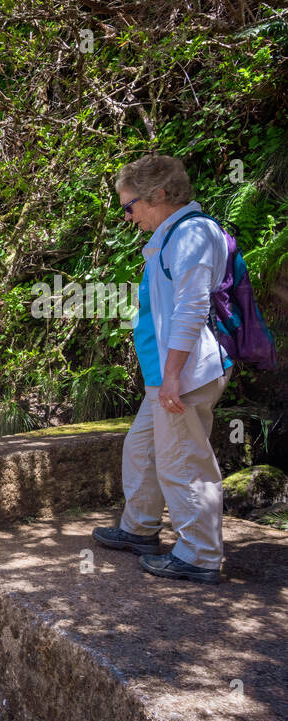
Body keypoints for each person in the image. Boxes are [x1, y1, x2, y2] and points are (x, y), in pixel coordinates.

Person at [92, 155, 232, 584]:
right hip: (168, 375)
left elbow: (192, 309)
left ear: (159, 196)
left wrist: (172, 376)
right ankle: (139, 529)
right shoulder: (171, 236)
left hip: (186, 374)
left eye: (128, 206)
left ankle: (200, 555)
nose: (127, 215)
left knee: (183, 463)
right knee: (142, 450)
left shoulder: (190, 234)